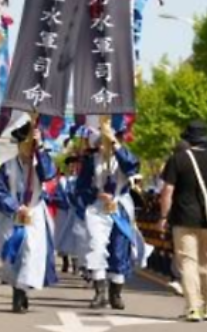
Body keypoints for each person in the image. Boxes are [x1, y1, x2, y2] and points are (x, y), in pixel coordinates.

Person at [159, 120, 207, 322]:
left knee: (188, 263)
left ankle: (193, 308)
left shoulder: (178, 159)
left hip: (184, 218)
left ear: (187, 138)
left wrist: (163, 216)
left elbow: (167, 191)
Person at [0, 122, 58, 314]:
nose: (29, 148)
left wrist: (41, 148)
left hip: (34, 213)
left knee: (30, 252)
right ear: (19, 144)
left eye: (32, 144)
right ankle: (18, 287)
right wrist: (15, 207)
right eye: (26, 143)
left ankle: (19, 294)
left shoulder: (40, 164)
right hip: (12, 215)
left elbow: (49, 173)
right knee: (12, 256)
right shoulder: (7, 167)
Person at [76, 124, 142, 311]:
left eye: (108, 142)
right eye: (101, 142)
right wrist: (96, 194)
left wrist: (115, 143)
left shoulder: (123, 158)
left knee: (119, 249)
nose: (104, 146)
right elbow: (81, 187)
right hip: (98, 209)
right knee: (96, 245)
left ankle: (116, 294)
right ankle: (100, 293)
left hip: (119, 207)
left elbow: (132, 167)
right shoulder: (92, 161)